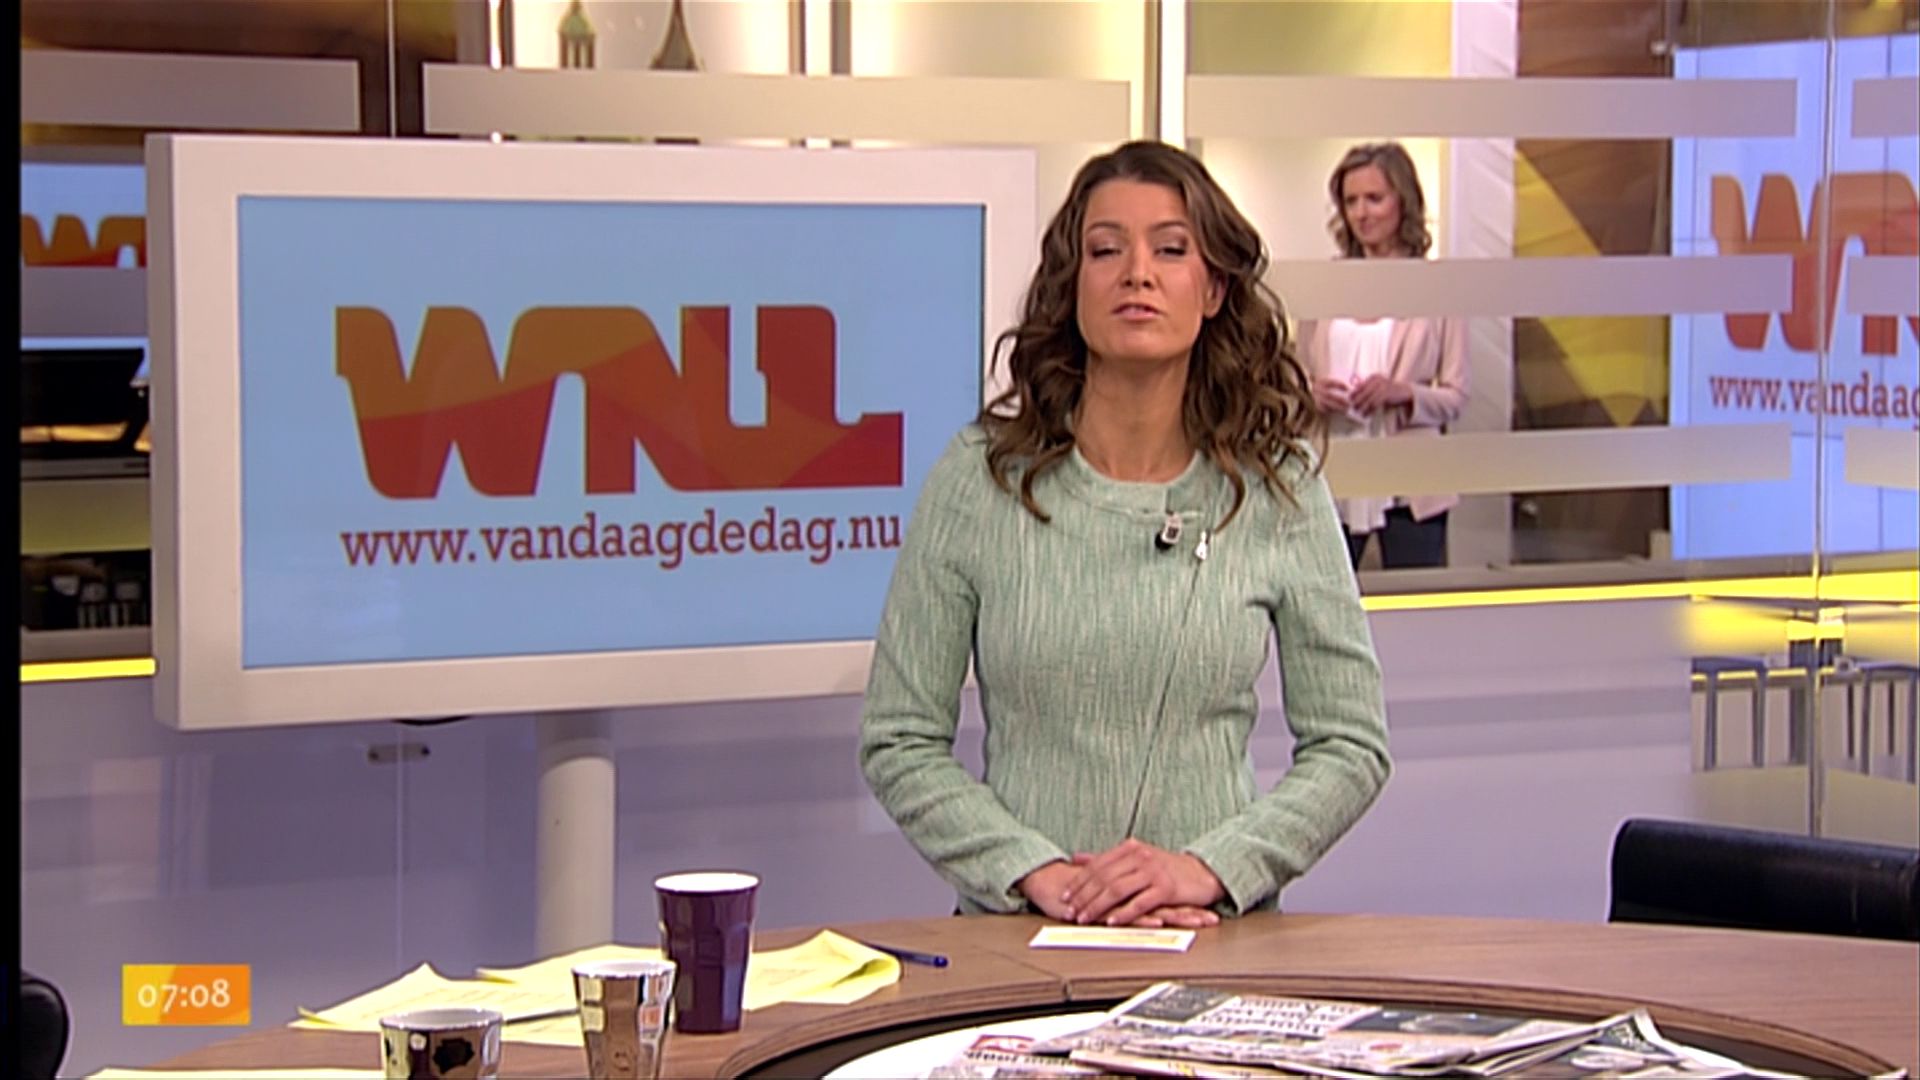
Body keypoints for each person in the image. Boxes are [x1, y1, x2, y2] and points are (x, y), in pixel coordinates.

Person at [858, 141, 1391, 930]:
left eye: (1170, 250)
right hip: (1023, 934)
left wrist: (1208, 868)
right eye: (1106, 250)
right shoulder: (981, 477)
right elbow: (899, 738)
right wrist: (1033, 872)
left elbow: (1351, 743)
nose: (1137, 273)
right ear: (1072, 284)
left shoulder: (1278, 487)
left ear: (1213, 288)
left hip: (1211, 936)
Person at [1296, 142, 1467, 570]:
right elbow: (1292, 382)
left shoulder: (1439, 288)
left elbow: (1455, 396)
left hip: (1411, 484)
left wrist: (1402, 393)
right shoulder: (1325, 285)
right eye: (1351, 201)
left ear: (1402, 202)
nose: (1361, 213)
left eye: (1374, 198)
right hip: (1333, 476)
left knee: (1415, 601)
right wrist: (1312, 395)